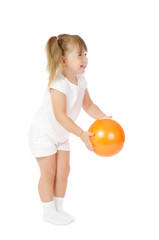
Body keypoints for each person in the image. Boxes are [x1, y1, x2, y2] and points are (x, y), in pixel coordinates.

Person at [28, 34, 112, 225]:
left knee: (64, 171)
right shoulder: (58, 84)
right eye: (79, 55)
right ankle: (48, 211)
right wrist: (82, 134)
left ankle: (58, 208)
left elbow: (89, 105)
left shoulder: (81, 81)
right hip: (44, 134)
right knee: (49, 173)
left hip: (62, 134)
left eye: (85, 54)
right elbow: (60, 116)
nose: (85, 59)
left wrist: (104, 118)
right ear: (64, 59)